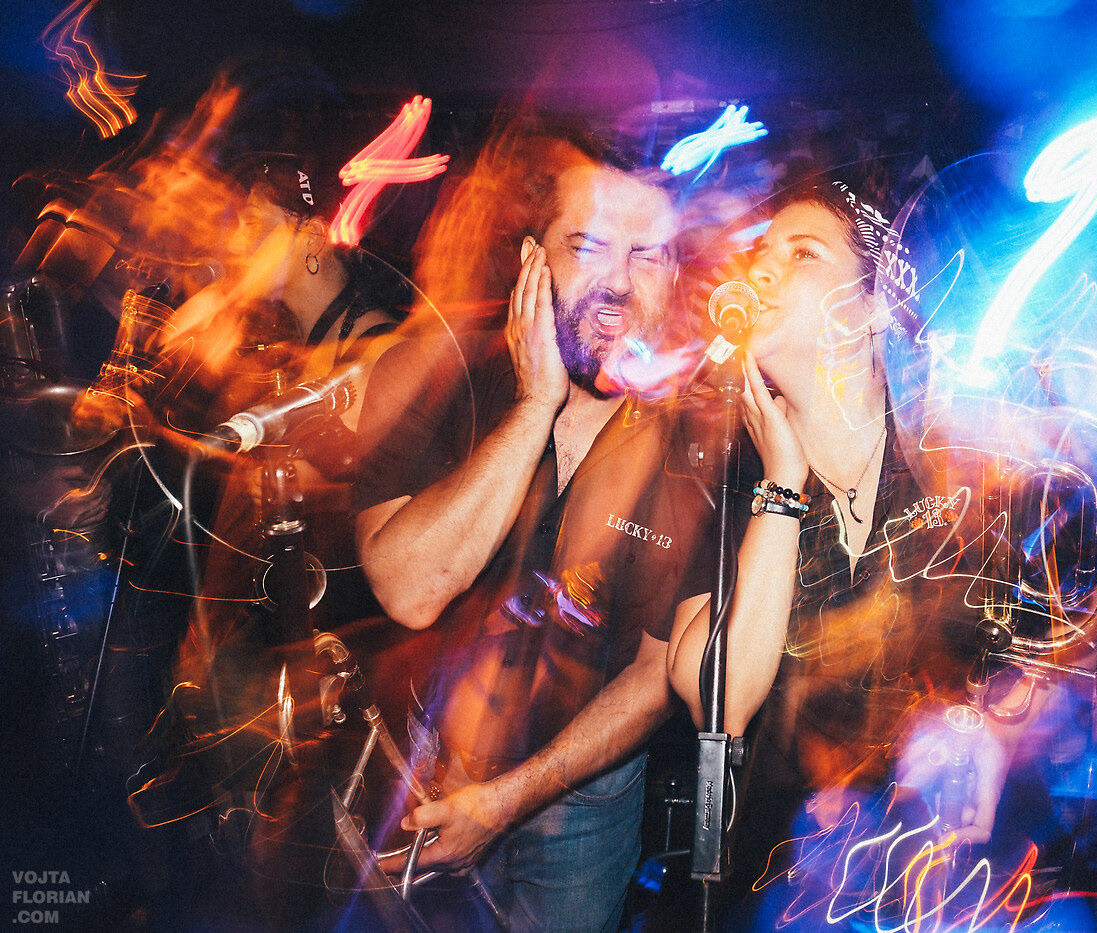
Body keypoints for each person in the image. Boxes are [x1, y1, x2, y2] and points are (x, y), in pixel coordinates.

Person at [666, 180, 1046, 925]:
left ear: (872, 307)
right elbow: (720, 702)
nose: (761, 269)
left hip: (948, 880)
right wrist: (781, 486)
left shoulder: (954, 464)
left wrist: (998, 734)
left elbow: (1044, 651)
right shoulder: (723, 468)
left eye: (802, 253)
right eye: (761, 253)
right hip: (783, 883)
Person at [353, 130, 706, 931]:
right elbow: (409, 588)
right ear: (532, 260)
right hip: (427, 760)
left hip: (585, 793)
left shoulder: (698, 443)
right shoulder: (439, 373)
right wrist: (533, 406)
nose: (618, 283)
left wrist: (508, 799)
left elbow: (658, 673)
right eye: (588, 246)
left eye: (647, 255)